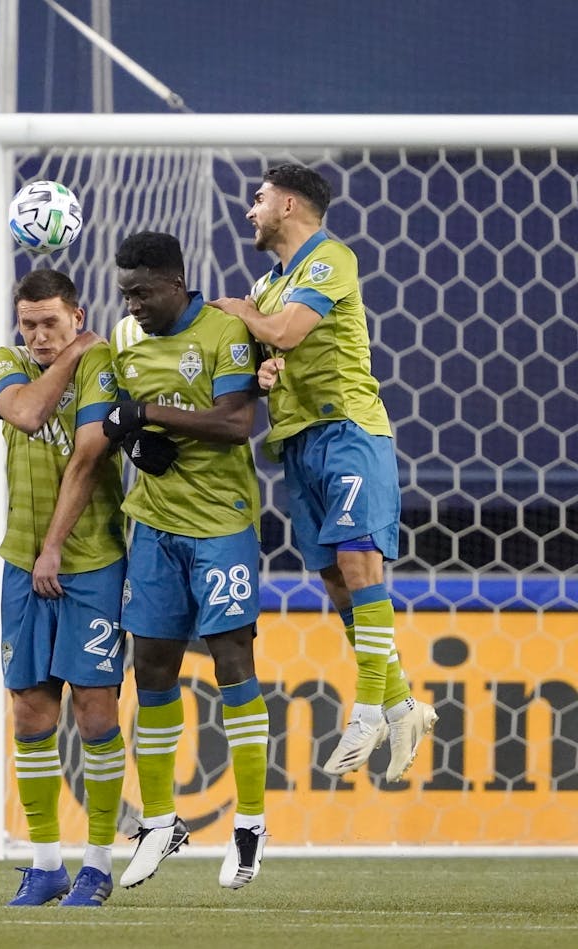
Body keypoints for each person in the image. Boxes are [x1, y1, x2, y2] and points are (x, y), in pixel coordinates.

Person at [211, 163, 437, 781]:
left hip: (349, 434)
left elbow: (286, 330)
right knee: (337, 582)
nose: (249, 210)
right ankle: (401, 704)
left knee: (361, 561)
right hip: (297, 445)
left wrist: (242, 314)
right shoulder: (267, 284)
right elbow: (270, 353)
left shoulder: (329, 258)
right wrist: (263, 372)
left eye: (258, 200)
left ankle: (366, 711)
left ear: (289, 205)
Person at [89, 232, 271, 891]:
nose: (132, 303)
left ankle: (250, 821)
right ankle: (161, 820)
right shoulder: (124, 338)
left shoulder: (224, 330)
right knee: (152, 665)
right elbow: (118, 417)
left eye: (142, 291)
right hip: (156, 524)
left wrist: (148, 415)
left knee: (231, 660)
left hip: (222, 521)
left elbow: (234, 423)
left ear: (176, 282)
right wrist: (139, 443)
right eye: (124, 292)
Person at [0, 269, 128, 907]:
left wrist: (56, 548)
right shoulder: (5, 361)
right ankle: (45, 866)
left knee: (95, 711)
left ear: (78, 312)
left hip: (93, 562)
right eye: (30, 323)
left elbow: (89, 457)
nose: (39, 335)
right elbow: (27, 411)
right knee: (30, 712)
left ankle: (97, 865)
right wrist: (72, 349)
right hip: (21, 562)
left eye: (53, 323)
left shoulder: (105, 364)